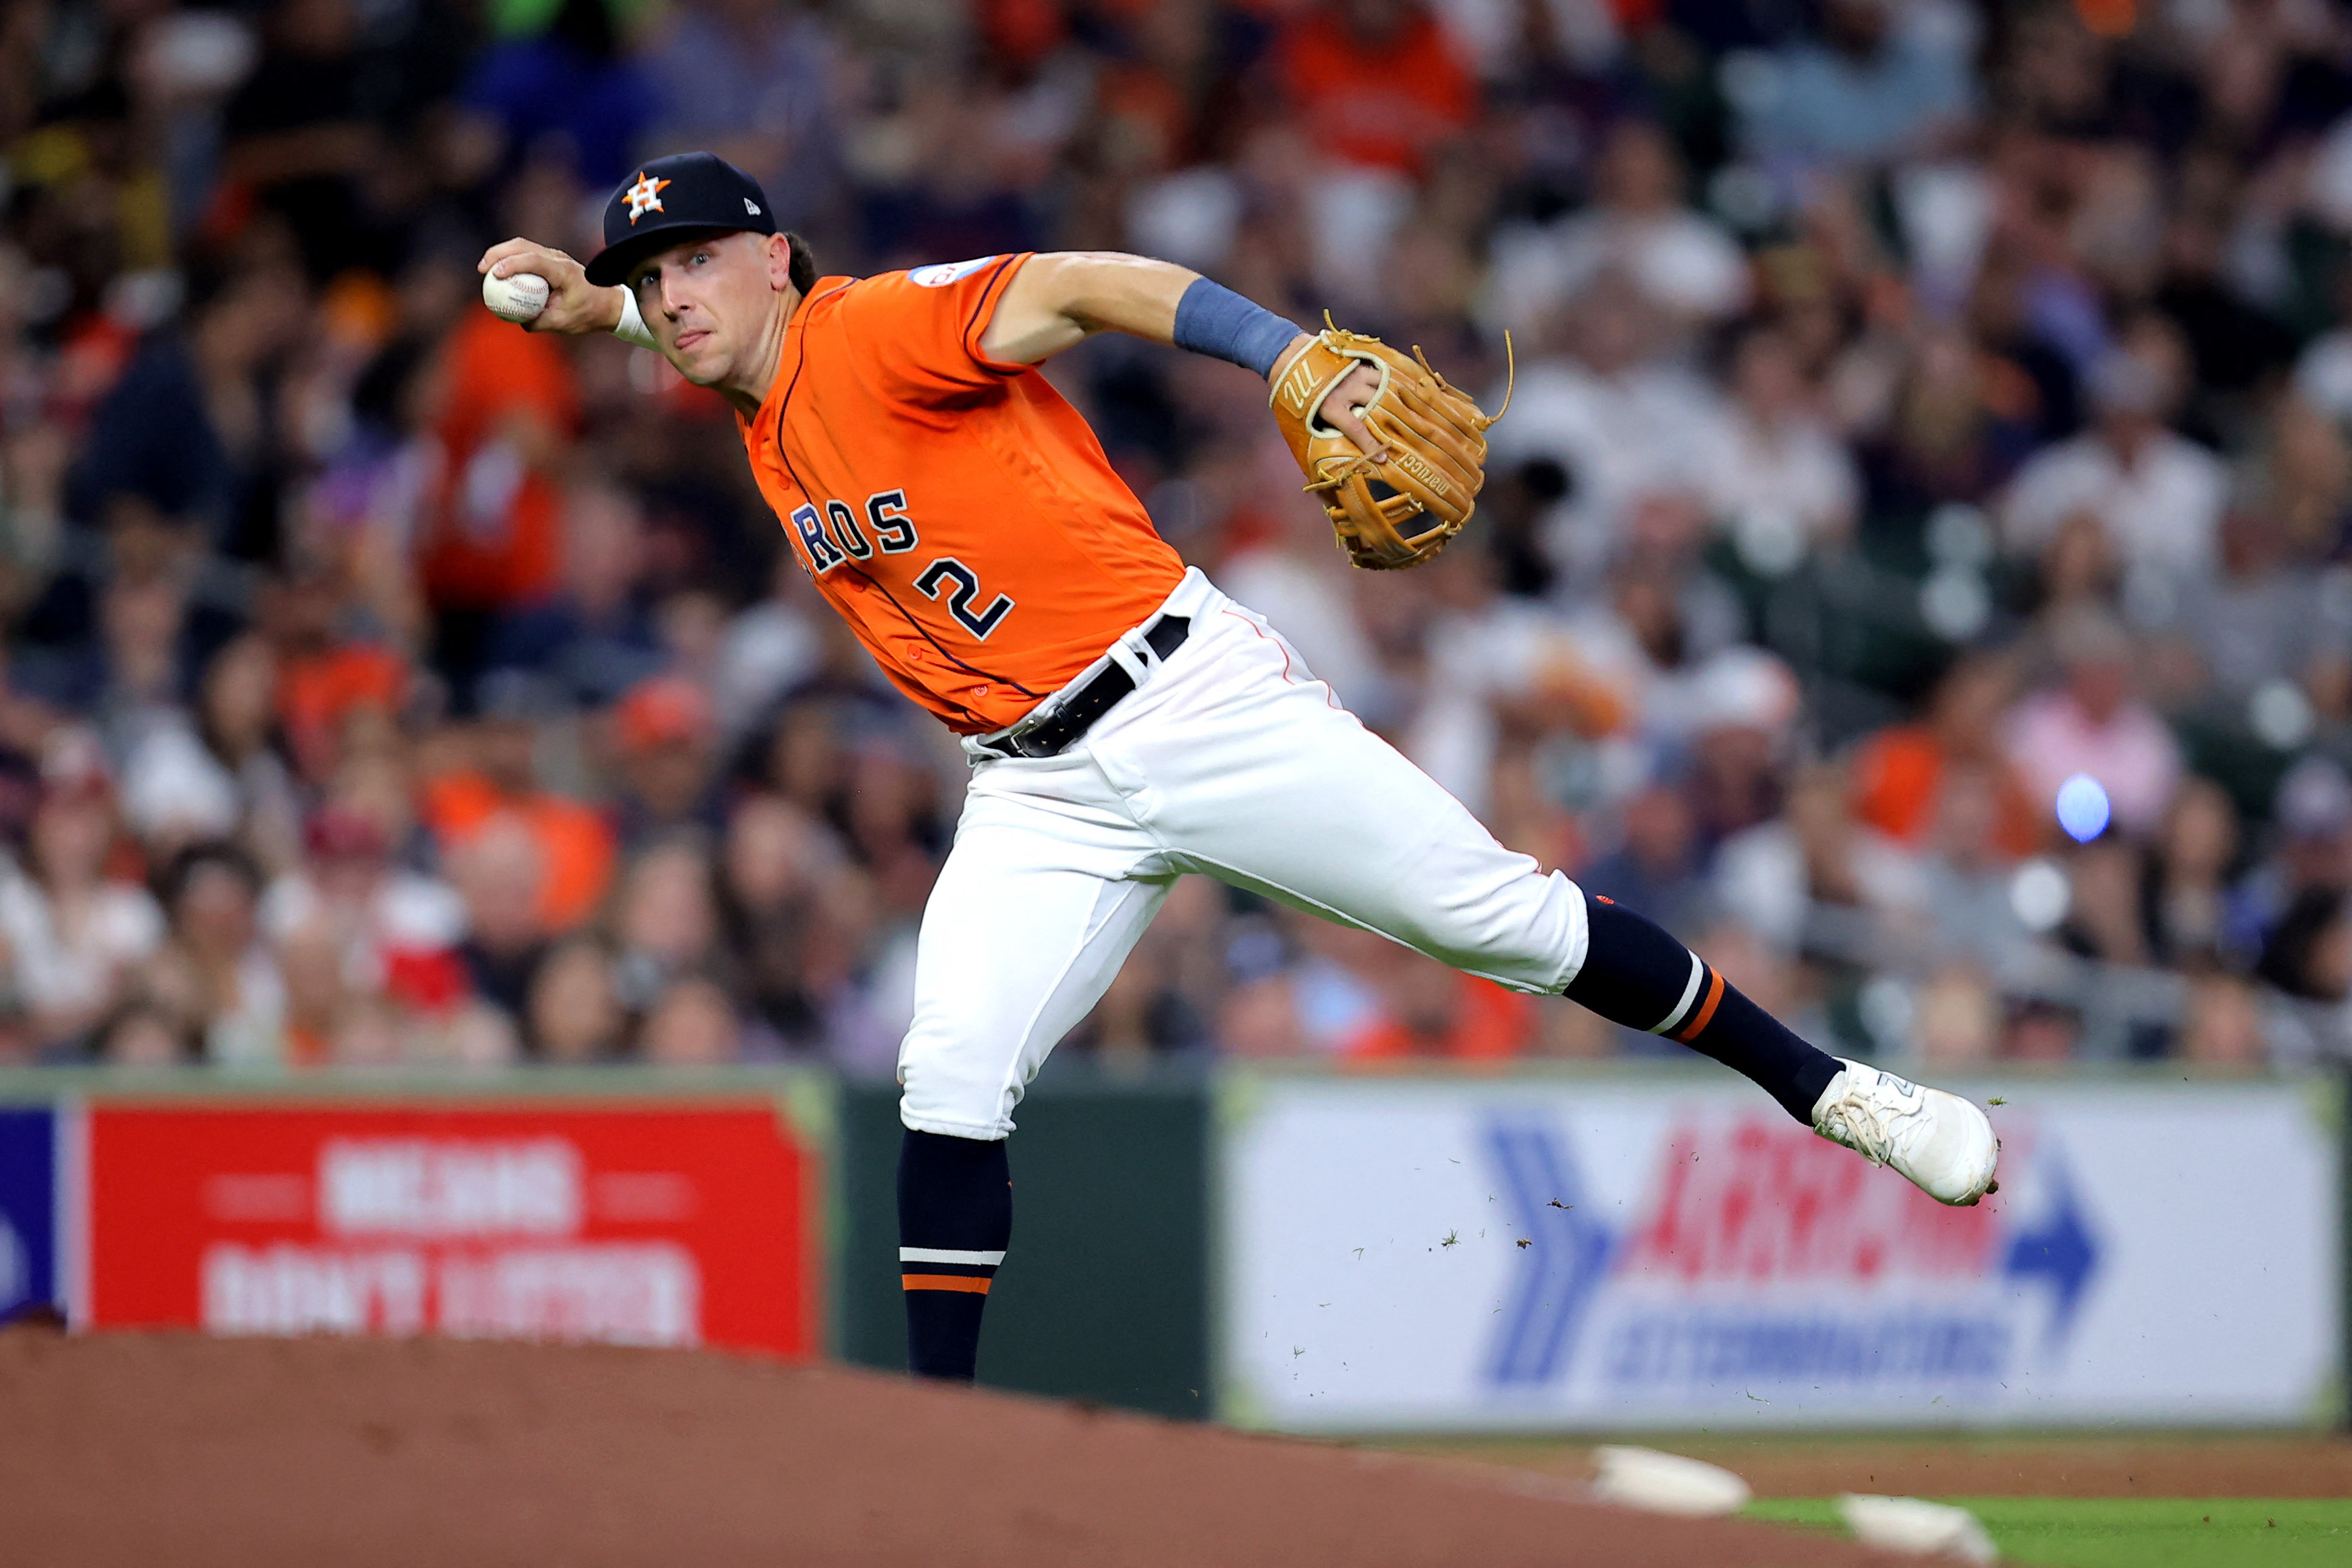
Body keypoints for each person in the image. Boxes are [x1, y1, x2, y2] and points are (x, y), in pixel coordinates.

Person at [481, 151, 2000, 1384]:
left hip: (1190, 701)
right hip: (1033, 791)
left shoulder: (872, 325)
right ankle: (927, 1447)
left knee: (1511, 925)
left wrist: (1281, 358)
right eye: (650, 278)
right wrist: (579, 308)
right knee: (947, 1068)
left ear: (779, 255)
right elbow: (681, 339)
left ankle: (1836, 1092)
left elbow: (1087, 285)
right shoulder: (741, 374)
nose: (672, 297)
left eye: (695, 260)